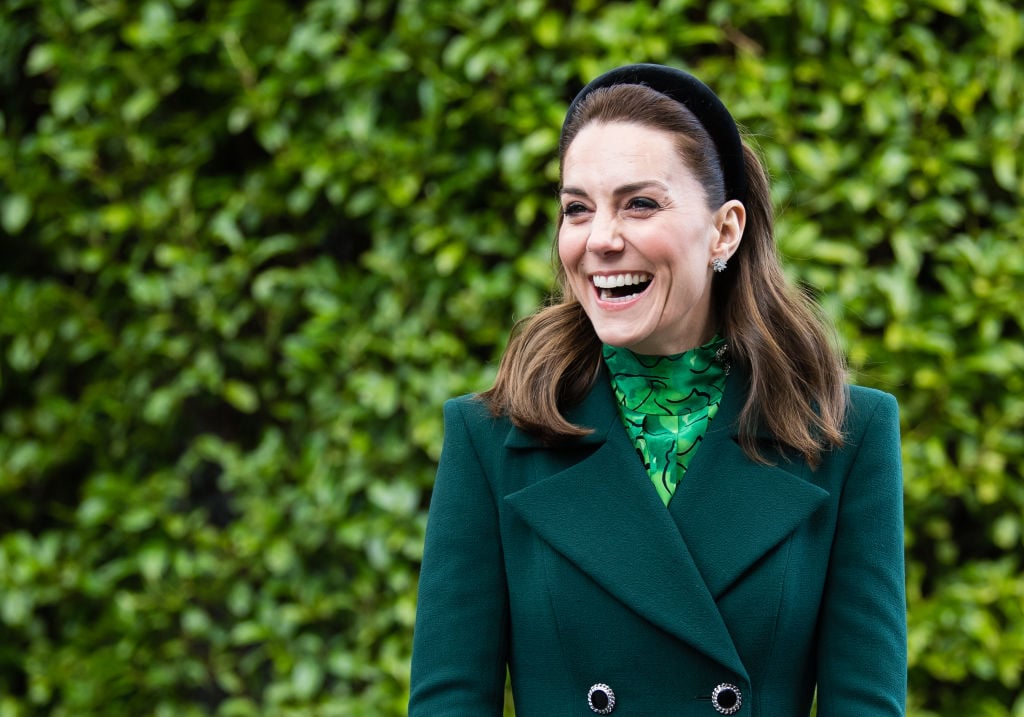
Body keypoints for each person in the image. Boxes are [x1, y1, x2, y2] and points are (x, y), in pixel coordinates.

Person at [408, 63, 906, 716]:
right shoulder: (493, 438)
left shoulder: (845, 434)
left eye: (639, 203)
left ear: (725, 230)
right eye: (577, 209)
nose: (600, 240)